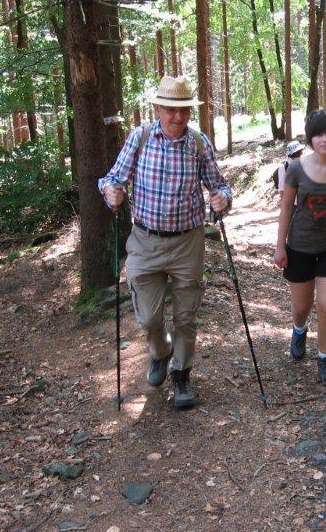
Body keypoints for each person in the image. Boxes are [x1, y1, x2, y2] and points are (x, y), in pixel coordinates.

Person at [98, 75, 232, 409]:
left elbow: (220, 185)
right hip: (144, 241)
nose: (178, 117)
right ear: (157, 107)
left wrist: (222, 199)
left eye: (184, 110)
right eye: (171, 109)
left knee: (187, 315)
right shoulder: (139, 138)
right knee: (148, 318)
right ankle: (160, 352)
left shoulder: (198, 143)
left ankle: (182, 375)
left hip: (188, 242)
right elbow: (113, 178)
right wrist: (110, 191)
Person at [273, 110, 326, 386]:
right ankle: (299, 329)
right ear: (310, 138)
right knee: (301, 306)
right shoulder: (296, 168)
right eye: (319, 134)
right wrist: (280, 246)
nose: (325, 139)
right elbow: (287, 207)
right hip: (299, 246)